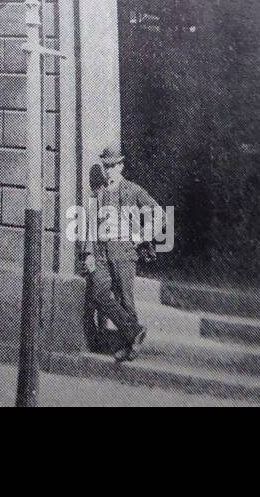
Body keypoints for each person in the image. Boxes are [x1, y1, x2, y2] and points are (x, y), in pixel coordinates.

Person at [80, 143, 162, 362]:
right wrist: (87, 253)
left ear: (121, 166)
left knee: (126, 299)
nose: (109, 170)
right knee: (98, 294)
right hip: (101, 253)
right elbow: (89, 224)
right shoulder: (97, 193)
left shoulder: (133, 190)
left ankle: (130, 347)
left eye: (113, 166)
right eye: (106, 166)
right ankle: (134, 331)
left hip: (124, 252)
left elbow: (159, 214)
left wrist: (142, 236)